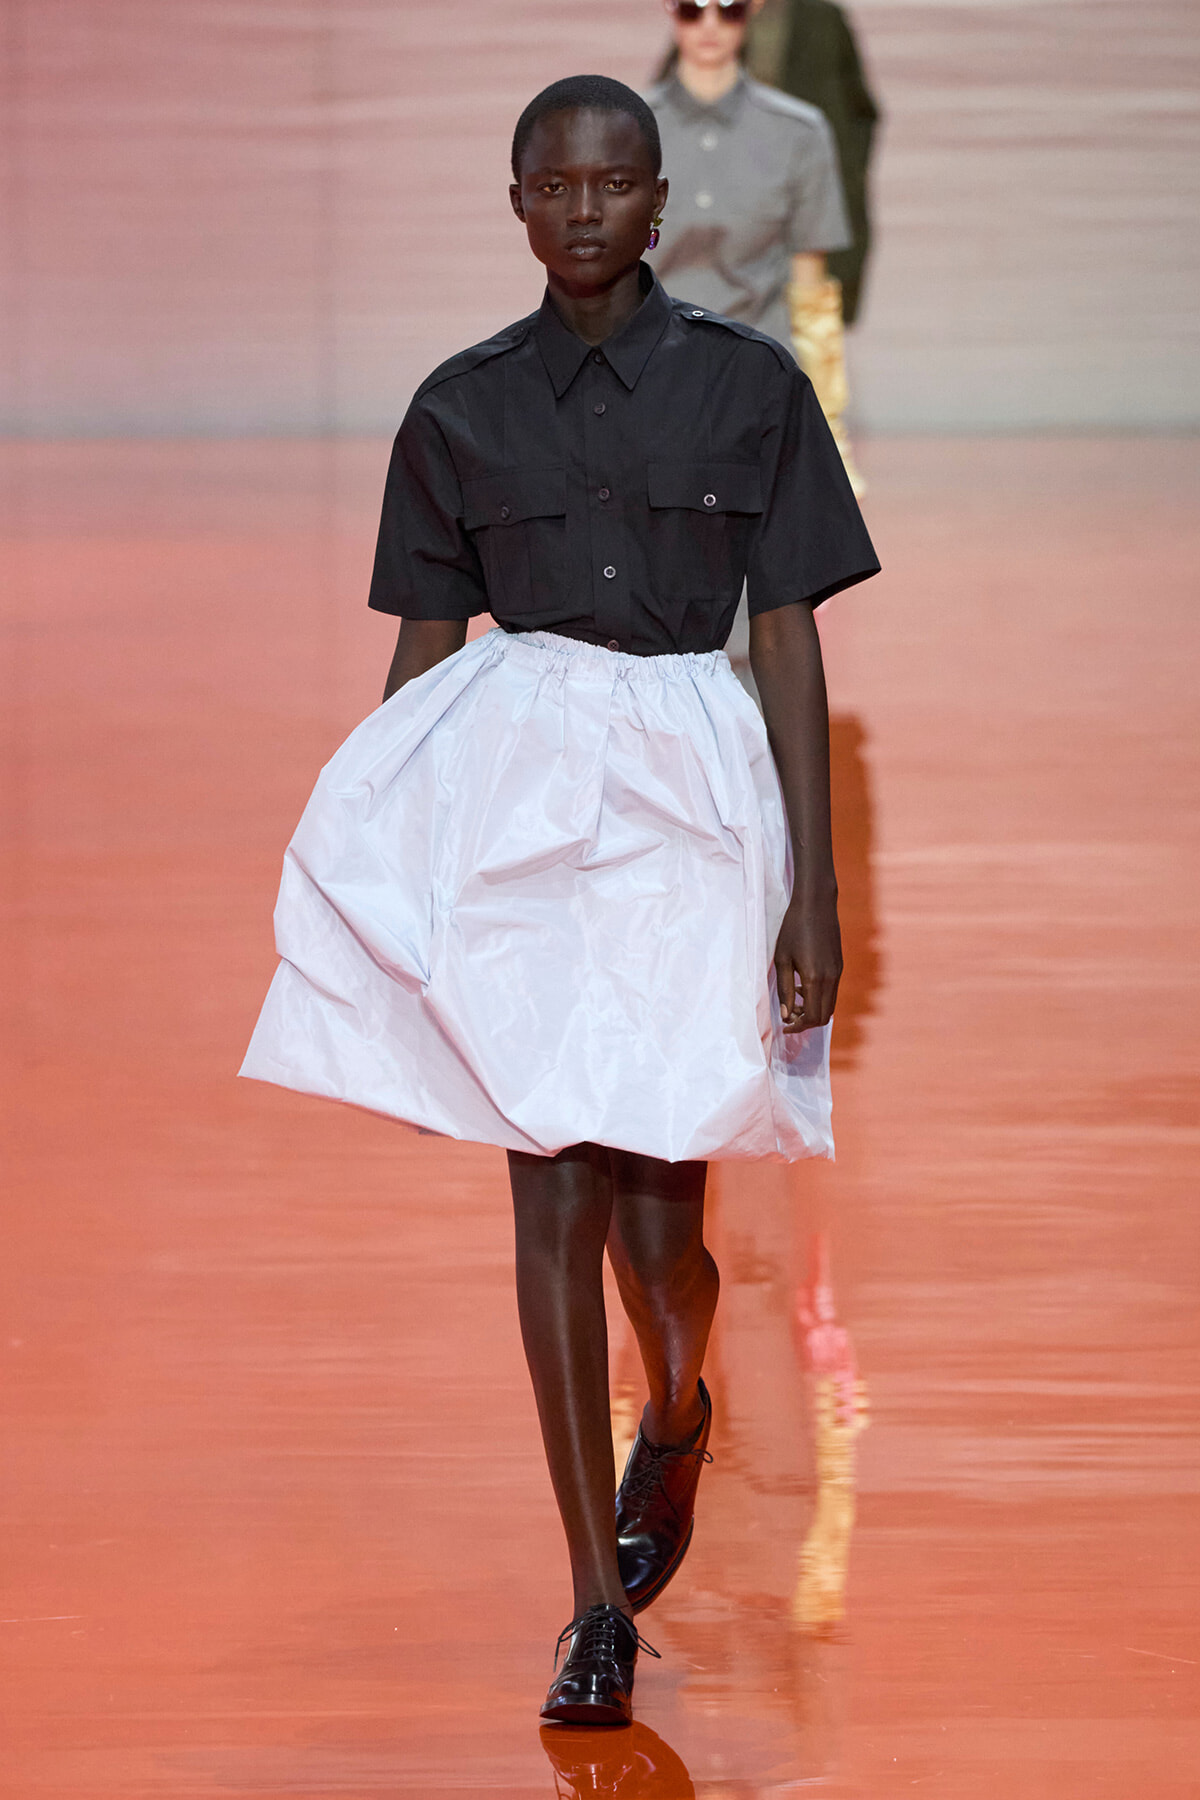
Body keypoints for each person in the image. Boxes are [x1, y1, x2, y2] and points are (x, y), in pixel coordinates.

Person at [240, 74, 878, 1727]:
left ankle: (679, 1407)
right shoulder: (459, 410)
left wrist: (814, 893)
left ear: (659, 203)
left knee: (666, 1233)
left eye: (614, 185)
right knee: (551, 1194)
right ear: (518, 207)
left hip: (686, 798)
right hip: (526, 803)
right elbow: (420, 665)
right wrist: (392, 871)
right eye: (555, 187)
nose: (585, 210)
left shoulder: (751, 392)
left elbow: (792, 637)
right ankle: (594, 1607)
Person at [646, 0, 865, 493]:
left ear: (755, 9)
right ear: (668, 7)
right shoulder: (627, 130)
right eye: (691, 9)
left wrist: (829, 432)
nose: (709, 25)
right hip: (646, 389)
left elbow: (812, 296)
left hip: (758, 389)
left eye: (729, 9)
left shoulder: (799, 132)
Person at [745, 0, 880, 324]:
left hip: (809, 216)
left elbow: (861, 114)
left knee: (809, 342)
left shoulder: (823, 19)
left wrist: (838, 178)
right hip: (737, 222)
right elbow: (671, 117)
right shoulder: (709, 18)